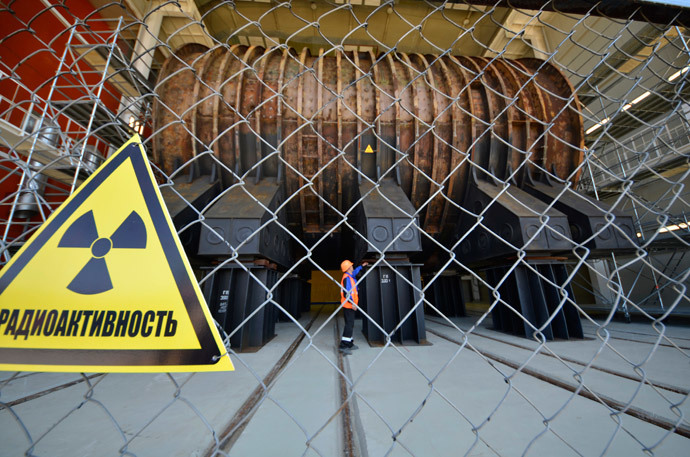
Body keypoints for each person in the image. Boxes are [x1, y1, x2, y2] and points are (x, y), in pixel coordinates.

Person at [339, 259, 368, 354]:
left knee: (350, 324)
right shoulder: (347, 278)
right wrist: (353, 304)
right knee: (349, 325)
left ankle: (349, 343)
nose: (352, 266)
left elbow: (355, 272)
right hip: (349, 305)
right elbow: (346, 293)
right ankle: (343, 345)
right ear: (348, 268)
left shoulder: (350, 276)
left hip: (350, 305)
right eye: (351, 266)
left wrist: (362, 266)